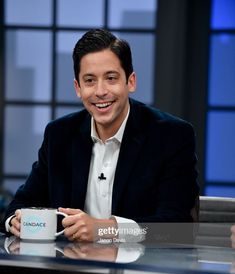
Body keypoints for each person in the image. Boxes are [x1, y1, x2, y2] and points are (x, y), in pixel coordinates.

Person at [0, 28, 199, 242]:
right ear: (78, 88)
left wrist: (104, 229)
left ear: (130, 82)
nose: (100, 91)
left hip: (139, 271)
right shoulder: (59, 135)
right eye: (89, 80)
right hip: (67, 269)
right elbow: (20, 204)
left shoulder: (171, 136)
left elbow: (179, 227)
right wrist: (14, 221)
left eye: (111, 78)